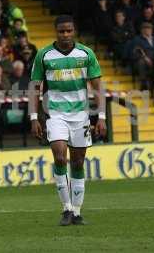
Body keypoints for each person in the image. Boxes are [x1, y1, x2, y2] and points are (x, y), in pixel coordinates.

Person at [29, 15, 106, 226]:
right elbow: (35, 88)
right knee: (60, 158)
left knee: (78, 162)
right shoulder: (44, 55)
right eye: (61, 31)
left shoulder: (86, 53)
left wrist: (101, 117)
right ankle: (66, 209)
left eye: (69, 31)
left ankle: (78, 212)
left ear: (74, 31)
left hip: (81, 115)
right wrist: (34, 118)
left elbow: (98, 88)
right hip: (55, 114)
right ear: (56, 31)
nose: (65, 35)